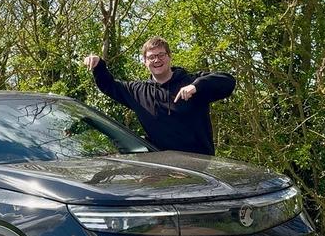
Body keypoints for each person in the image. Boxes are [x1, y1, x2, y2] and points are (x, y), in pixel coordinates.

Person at [84, 37, 235, 155]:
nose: (156, 60)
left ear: (169, 57)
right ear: (144, 62)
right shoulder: (138, 92)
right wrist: (98, 65)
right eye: (151, 57)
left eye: (161, 55)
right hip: (162, 170)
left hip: (199, 166)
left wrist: (196, 86)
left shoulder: (190, 81)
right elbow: (109, 85)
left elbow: (228, 81)